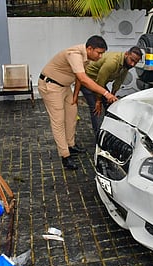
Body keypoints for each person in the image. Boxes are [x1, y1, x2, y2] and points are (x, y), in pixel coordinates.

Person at [38, 35, 117, 170]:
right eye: (99, 53)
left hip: (65, 87)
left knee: (72, 116)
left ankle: (70, 145)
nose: (100, 57)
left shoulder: (86, 56)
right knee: (58, 121)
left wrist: (75, 96)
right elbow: (83, 78)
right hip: (50, 86)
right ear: (90, 48)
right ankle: (65, 156)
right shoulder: (74, 54)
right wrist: (106, 93)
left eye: (102, 53)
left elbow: (79, 77)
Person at [73, 46, 142, 142]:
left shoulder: (127, 64)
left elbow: (118, 82)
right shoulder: (112, 62)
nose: (132, 64)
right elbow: (100, 80)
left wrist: (112, 96)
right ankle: (99, 138)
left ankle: (110, 131)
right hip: (88, 80)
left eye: (136, 62)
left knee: (111, 105)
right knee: (96, 109)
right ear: (126, 54)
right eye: (132, 60)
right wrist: (98, 100)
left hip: (99, 82)